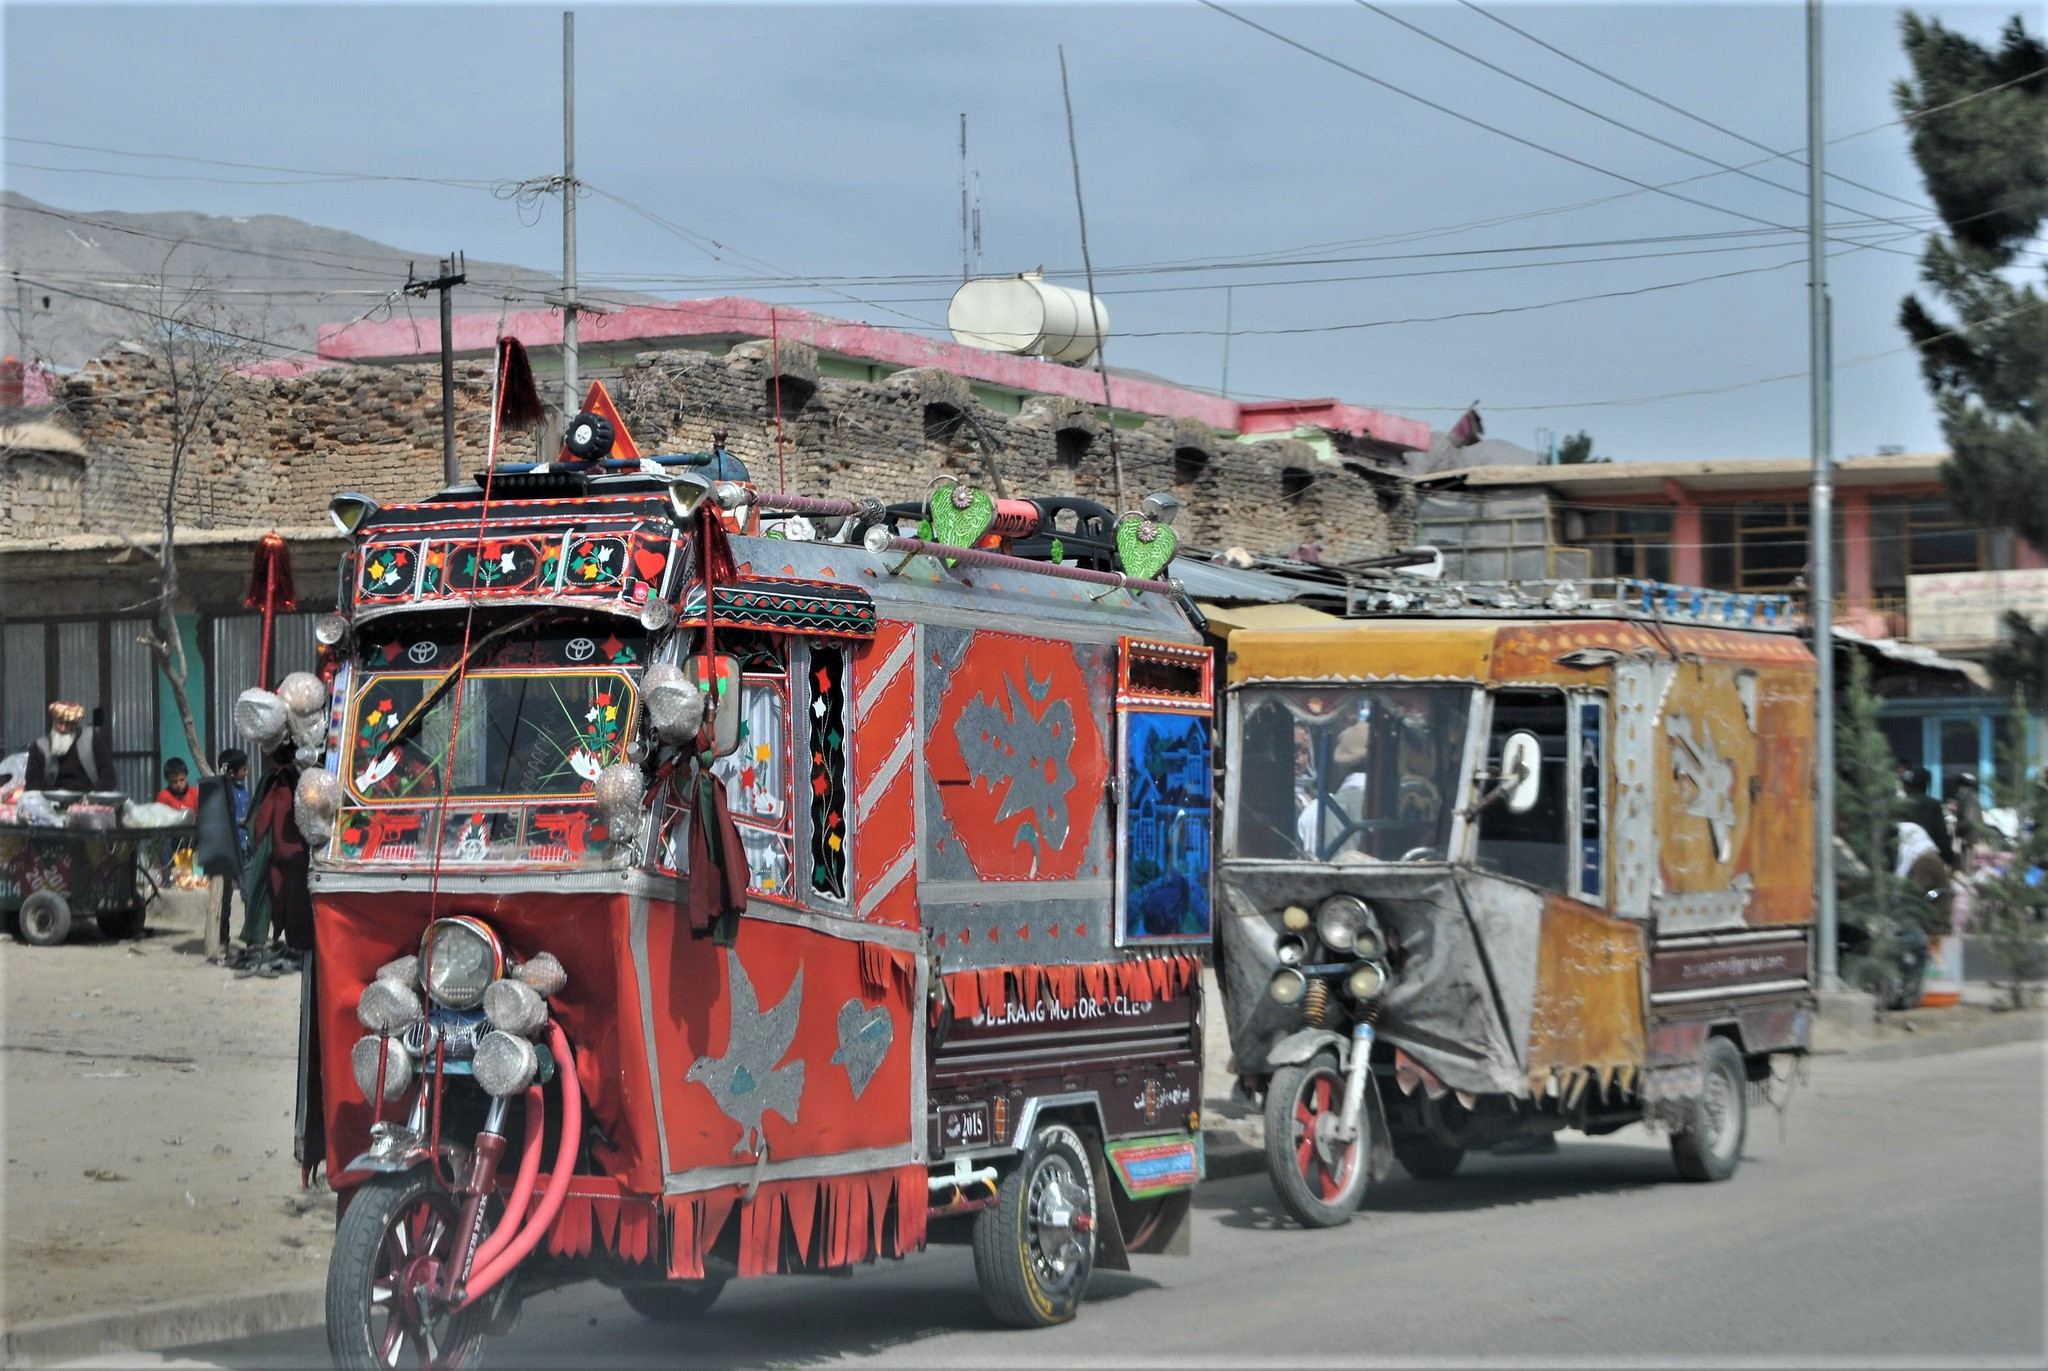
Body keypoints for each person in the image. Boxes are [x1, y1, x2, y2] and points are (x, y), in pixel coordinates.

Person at [24, 701, 115, 793]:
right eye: (60, 722)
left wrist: (96, 795)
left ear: (76, 723)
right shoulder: (39, 746)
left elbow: (108, 773)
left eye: (68, 723)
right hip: (54, 797)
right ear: (54, 720)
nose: (63, 728)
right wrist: (58, 792)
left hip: (89, 796)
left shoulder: (91, 737)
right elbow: (32, 782)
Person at [1901, 766, 1957, 871]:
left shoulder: (1898, 806)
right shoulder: (1933, 805)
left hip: (1901, 862)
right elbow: (1941, 836)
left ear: (1905, 786)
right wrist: (1949, 858)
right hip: (1926, 862)